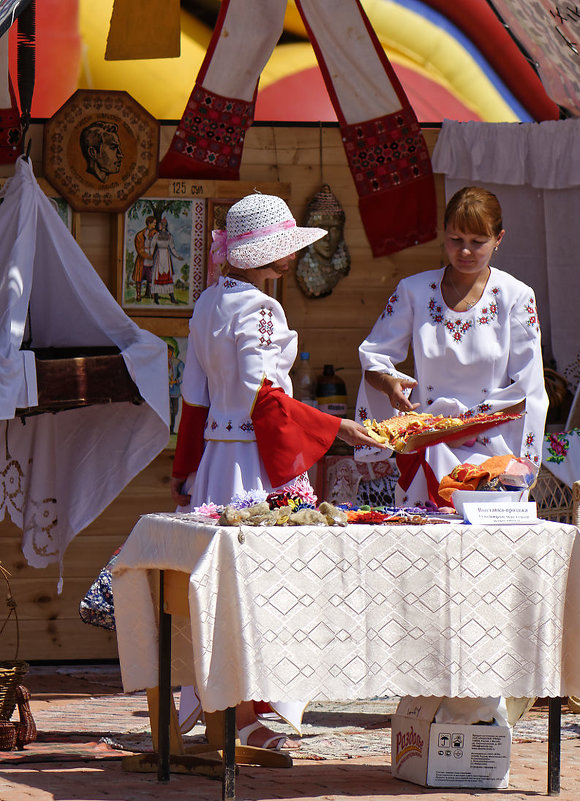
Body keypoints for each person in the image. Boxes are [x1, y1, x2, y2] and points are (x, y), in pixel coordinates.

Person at [171, 192, 386, 750]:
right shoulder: (262, 310)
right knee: (262, 586)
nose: (290, 257)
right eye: (284, 248)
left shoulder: (206, 304)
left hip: (217, 462)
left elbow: (193, 399)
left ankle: (223, 707)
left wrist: (185, 466)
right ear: (268, 254)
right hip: (252, 464)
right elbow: (261, 398)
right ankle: (246, 717)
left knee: (220, 588)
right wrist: (335, 428)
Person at [355, 185, 548, 507]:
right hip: (427, 448)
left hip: (492, 455)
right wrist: (391, 385)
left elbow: (528, 387)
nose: (466, 252)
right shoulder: (414, 291)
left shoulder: (515, 296)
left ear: (499, 239)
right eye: (456, 240)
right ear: (443, 235)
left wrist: (464, 427)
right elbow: (374, 356)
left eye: (478, 242)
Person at [148, 216, 180, 305]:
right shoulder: (156, 236)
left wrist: (177, 256)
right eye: (160, 225)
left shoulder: (169, 236)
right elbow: (152, 246)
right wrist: (150, 255)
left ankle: (172, 298)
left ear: (164, 226)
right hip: (159, 256)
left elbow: (172, 248)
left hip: (166, 256)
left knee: (167, 275)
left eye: (161, 225)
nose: (160, 226)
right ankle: (156, 298)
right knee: (157, 275)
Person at [131, 216, 156, 302]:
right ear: (149, 223)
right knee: (139, 279)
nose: (154, 225)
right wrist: (146, 255)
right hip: (142, 260)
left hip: (151, 260)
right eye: (154, 223)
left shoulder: (155, 233)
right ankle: (138, 295)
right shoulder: (140, 235)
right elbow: (139, 249)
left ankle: (152, 294)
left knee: (150, 278)